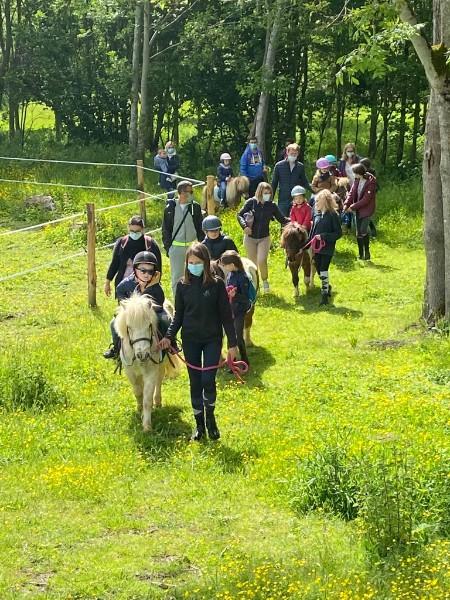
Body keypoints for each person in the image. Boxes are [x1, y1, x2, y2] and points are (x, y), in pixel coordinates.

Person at [159, 243, 238, 441]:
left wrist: (232, 344)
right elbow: (178, 316)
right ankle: (199, 425)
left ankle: (210, 418)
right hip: (191, 339)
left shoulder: (217, 284)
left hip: (212, 339)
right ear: (186, 264)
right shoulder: (182, 285)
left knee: (208, 380)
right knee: (195, 382)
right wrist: (168, 336)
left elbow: (226, 316)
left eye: (198, 262)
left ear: (205, 262)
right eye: (190, 262)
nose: (194, 266)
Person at [103, 251, 165, 359]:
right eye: (143, 270)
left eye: (150, 271)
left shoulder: (156, 286)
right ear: (135, 269)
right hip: (131, 314)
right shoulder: (124, 286)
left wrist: (148, 288)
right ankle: (116, 348)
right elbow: (122, 301)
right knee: (113, 323)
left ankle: (169, 344)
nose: (147, 274)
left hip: (151, 313)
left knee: (165, 319)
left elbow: (159, 303)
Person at [237, 181, 289, 294]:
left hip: (264, 238)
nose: (268, 195)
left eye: (269, 193)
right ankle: (255, 285)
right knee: (252, 263)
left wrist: (295, 221)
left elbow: (282, 219)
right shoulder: (251, 202)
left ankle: (265, 282)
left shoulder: (272, 205)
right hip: (250, 237)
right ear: (259, 192)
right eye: (265, 193)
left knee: (261, 260)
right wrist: (244, 226)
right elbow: (239, 214)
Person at [162, 180, 204, 298]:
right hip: (177, 249)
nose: (191, 194)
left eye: (192, 191)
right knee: (177, 278)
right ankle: (178, 305)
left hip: (193, 248)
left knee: (196, 275)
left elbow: (200, 228)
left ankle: (196, 300)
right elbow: (166, 230)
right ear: (181, 192)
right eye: (189, 191)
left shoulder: (195, 207)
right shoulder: (170, 209)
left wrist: (201, 245)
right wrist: (169, 248)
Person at [104, 215, 162, 298]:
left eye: (137, 231)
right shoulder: (121, 243)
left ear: (142, 229)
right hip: (124, 285)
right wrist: (107, 282)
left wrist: (152, 286)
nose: (134, 234)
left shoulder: (150, 244)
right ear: (128, 229)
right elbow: (114, 263)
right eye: (132, 231)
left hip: (145, 285)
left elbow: (158, 269)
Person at [310, 189, 342, 306]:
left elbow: (338, 233)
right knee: (318, 268)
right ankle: (327, 286)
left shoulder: (333, 215)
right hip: (317, 248)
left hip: (327, 248)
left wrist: (323, 236)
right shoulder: (317, 214)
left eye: (318, 200)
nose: (316, 203)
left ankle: (324, 296)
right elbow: (313, 232)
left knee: (323, 269)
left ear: (324, 201)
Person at [220, 250, 251, 368]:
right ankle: (232, 362)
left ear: (232, 264)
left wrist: (235, 295)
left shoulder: (243, 278)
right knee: (230, 335)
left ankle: (244, 359)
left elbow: (246, 298)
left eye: (225, 265)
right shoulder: (230, 275)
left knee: (238, 337)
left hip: (239, 311)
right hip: (230, 310)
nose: (224, 267)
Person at [343, 163, 377, 261]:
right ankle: (360, 254)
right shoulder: (356, 181)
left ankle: (367, 251)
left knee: (363, 230)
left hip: (367, 209)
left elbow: (366, 199)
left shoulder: (371, 182)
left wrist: (352, 207)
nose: (353, 175)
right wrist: (346, 204)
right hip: (357, 209)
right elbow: (351, 193)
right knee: (358, 233)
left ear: (359, 173)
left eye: (355, 173)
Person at [271, 143, 312, 217]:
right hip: (283, 198)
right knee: (283, 221)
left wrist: (316, 191)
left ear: (298, 154)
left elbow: (305, 182)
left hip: (296, 199)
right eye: (291, 153)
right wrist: (270, 200)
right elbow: (274, 184)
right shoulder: (279, 166)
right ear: (287, 152)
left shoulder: (300, 166)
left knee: (295, 222)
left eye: (295, 154)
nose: (293, 155)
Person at [338, 143, 360, 232]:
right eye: (348, 151)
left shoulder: (358, 160)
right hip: (346, 185)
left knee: (356, 204)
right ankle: (348, 224)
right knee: (346, 203)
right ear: (345, 151)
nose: (350, 153)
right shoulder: (342, 162)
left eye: (352, 151)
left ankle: (358, 225)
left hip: (357, 185)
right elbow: (340, 173)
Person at [360, 157, 378, 237]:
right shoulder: (361, 172)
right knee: (364, 213)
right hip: (362, 195)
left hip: (369, 196)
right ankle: (366, 230)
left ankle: (370, 230)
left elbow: (374, 185)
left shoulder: (371, 173)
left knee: (367, 214)